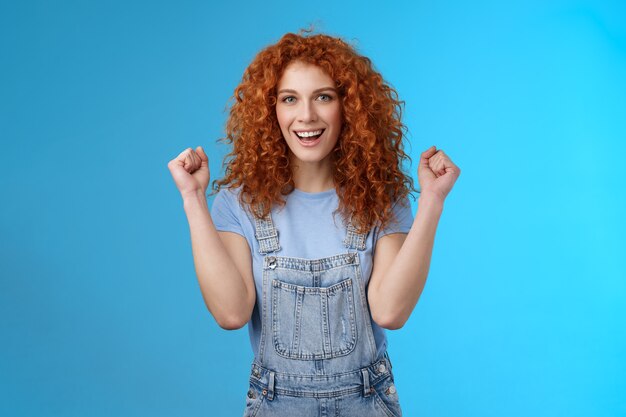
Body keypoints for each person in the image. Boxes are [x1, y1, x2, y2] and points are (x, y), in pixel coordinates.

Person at [167, 30, 460, 417]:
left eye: (323, 96)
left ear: (349, 107)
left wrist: (433, 202)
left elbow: (390, 312)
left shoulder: (381, 199)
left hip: (367, 403)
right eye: (290, 99)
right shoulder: (238, 203)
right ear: (271, 110)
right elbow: (231, 313)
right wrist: (192, 200)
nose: (306, 116)